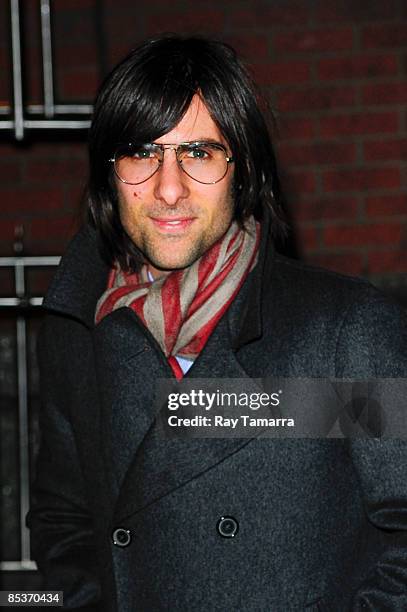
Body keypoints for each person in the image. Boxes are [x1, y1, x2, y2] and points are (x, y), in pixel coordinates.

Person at [27, 34, 407, 611]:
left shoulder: (344, 331)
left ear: (243, 169)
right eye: (142, 152)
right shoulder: (76, 329)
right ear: (110, 172)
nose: (170, 188)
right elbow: (64, 523)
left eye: (200, 153)